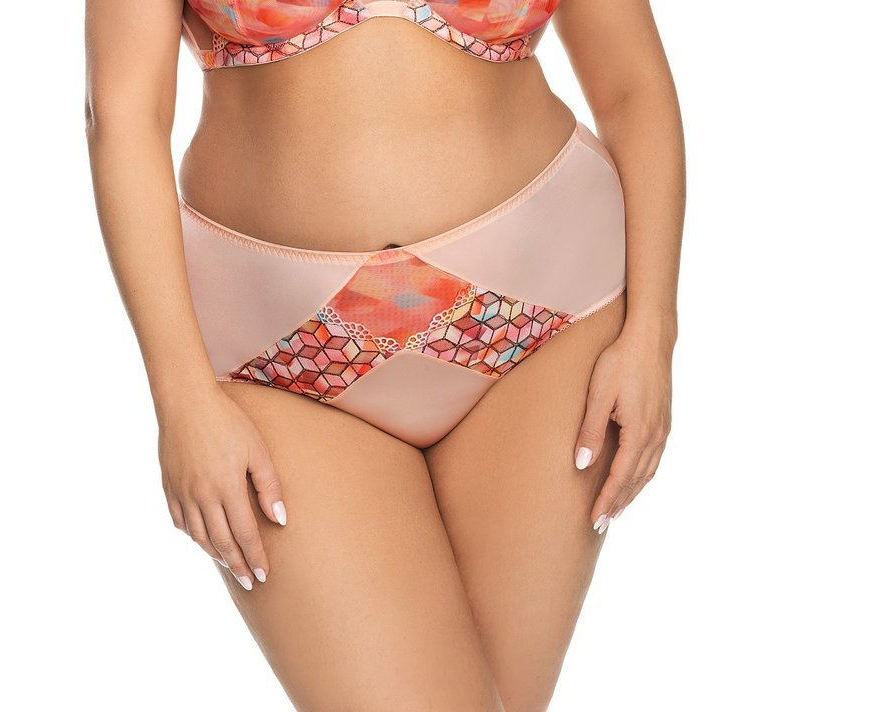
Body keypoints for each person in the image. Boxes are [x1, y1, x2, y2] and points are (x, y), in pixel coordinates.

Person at [84, 0, 684, 707]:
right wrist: (181, 399)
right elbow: (123, 115)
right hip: (278, 361)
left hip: (549, 312)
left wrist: (653, 332)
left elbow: (632, 88)